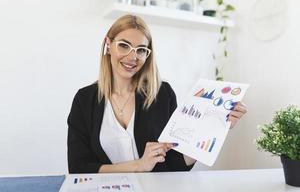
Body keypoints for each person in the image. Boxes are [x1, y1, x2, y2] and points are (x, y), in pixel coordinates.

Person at [67, 14, 247, 173]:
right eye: (124, 46)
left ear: (147, 55)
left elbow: (177, 164)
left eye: (141, 50)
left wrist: (218, 126)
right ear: (108, 45)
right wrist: (138, 165)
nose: (132, 57)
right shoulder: (84, 99)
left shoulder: (162, 94)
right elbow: (79, 167)